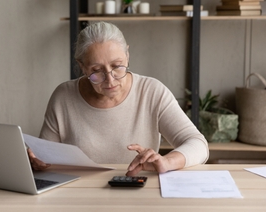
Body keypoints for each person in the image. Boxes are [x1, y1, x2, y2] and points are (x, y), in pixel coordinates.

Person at [28, 21, 209, 176]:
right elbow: (44, 157)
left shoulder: (152, 92)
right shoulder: (63, 97)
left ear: (127, 56)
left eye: (117, 66)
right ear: (82, 66)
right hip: (80, 195)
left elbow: (198, 145)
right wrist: (36, 161)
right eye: (96, 71)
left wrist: (167, 161)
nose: (110, 79)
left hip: (137, 192)